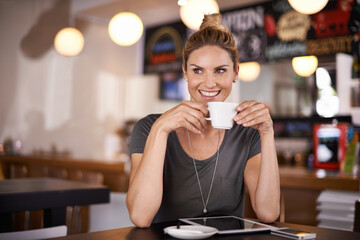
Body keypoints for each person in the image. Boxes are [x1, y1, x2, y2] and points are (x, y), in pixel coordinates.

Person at [126, 13, 280, 228]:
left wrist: (267, 132)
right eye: (198, 70)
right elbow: (141, 217)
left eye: (220, 71)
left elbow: (268, 212)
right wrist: (160, 129)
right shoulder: (149, 127)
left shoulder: (248, 132)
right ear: (185, 72)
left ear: (236, 72)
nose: (209, 83)